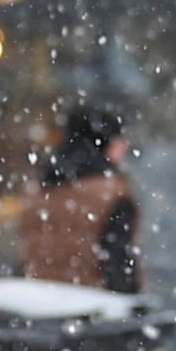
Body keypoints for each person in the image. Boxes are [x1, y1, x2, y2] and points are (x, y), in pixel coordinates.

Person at [17, 102, 140, 294]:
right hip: (92, 310)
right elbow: (119, 268)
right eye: (119, 141)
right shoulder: (112, 195)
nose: (124, 148)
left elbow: (27, 259)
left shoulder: (38, 192)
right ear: (105, 143)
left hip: (40, 307)